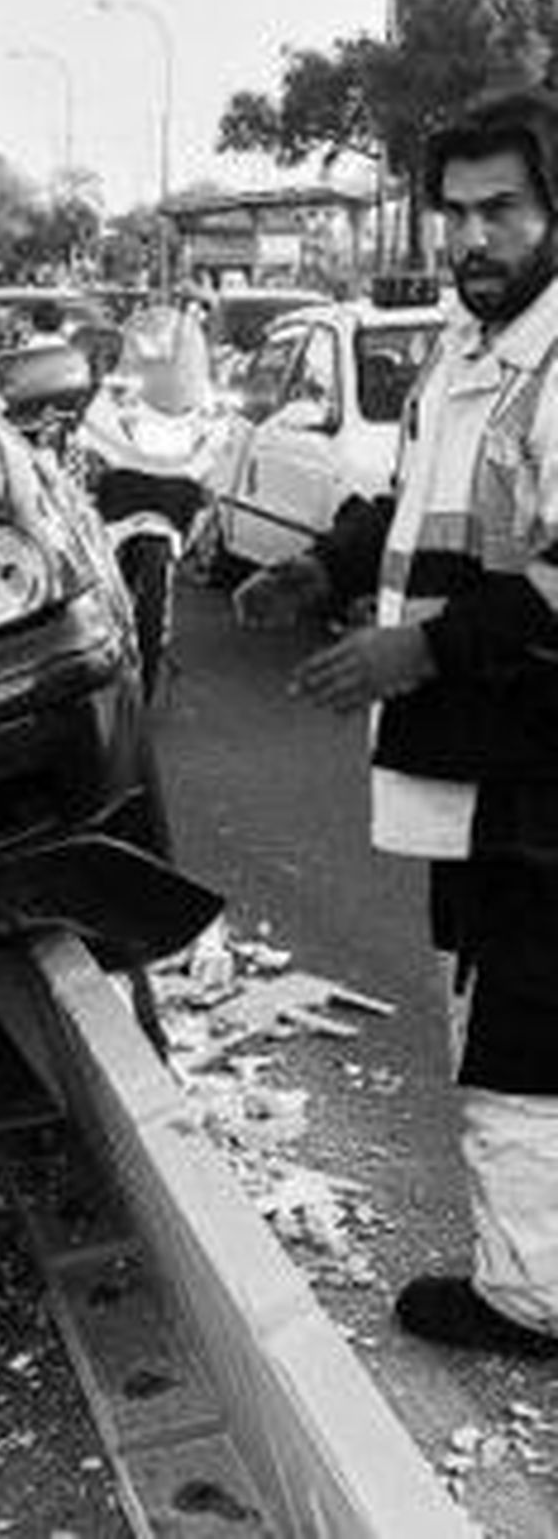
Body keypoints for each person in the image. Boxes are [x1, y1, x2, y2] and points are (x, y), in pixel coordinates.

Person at [234, 87, 558, 1360]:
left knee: (519, 1043)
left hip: (532, 774)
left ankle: (529, 1300)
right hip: (486, 766)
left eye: (505, 210)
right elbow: (409, 499)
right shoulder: (473, 349)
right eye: (457, 214)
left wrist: (415, 648)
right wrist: (320, 571)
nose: (472, 239)